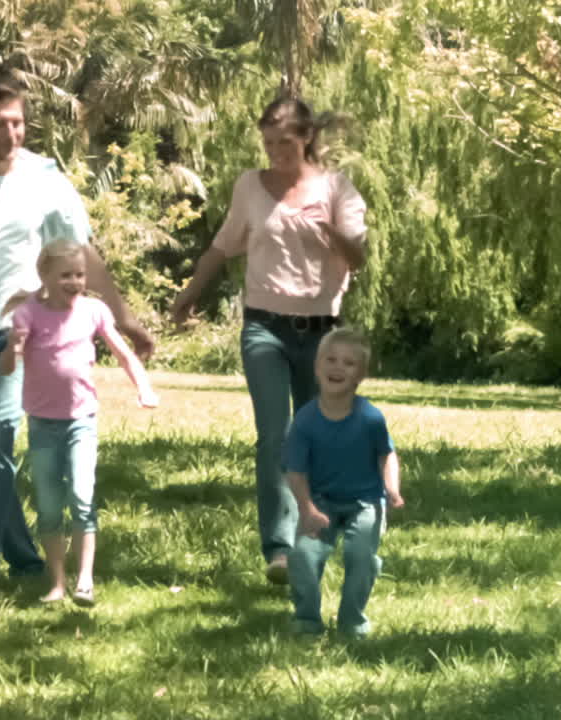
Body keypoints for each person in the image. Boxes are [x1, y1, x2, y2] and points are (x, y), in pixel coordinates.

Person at [0, 76, 155, 597]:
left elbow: (82, 254)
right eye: (0, 124)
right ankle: (24, 559)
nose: (12, 133)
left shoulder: (46, 180)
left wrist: (123, 315)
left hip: (21, 330)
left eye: (18, 122)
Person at [170, 96, 368, 585]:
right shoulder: (250, 186)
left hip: (321, 331)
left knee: (317, 434)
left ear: (307, 138)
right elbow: (222, 245)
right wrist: (189, 294)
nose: (276, 152)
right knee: (275, 434)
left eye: (285, 143)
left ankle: (313, 536)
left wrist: (331, 231)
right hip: (264, 326)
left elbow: (358, 257)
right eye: (269, 143)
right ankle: (279, 549)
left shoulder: (337, 189)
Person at [0, 240, 159, 607]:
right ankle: (57, 583)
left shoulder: (93, 311)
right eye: (66, 275)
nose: (74, 282)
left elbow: (122, 353)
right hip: (43, 425)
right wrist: (12, 347)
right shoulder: (28, 314)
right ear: (45, 276)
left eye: (80, 275)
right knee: (49, 506)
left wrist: (144, 387)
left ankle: (85, 581)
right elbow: (7, 368)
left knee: (83, 498)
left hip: (81, 422)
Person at [284, 327, 403, 637]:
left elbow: (386, 455)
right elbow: (295, 472)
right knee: (303, 556)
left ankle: (352, 622)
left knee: (360, 556)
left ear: (360, 375)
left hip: (366, 503)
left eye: (349, 363)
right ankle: (307, 621)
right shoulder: (305, 421)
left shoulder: (370, 417)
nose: (338, 367)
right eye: (331, 359)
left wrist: (391, 489)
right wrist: (307, 509)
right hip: (320, 502)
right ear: (316, 367)